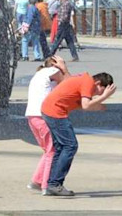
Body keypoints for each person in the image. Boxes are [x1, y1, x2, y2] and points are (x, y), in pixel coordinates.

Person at [39, 68, 117, 197]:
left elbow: (82, 104)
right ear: (97, 83)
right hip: (55, 112)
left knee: (61, 148)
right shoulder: (88, 82)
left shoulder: (84, 80)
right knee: (70, 146)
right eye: (100, 91)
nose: (97, 95)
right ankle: (55, 184)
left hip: (49, 109)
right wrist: (104, 97)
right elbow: (86, 105)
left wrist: (98, 105)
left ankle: (51, 184)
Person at [24, 57, 65, 192]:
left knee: (48, 150)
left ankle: (37, 180)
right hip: (43, 117)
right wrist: (63, 66)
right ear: (54, 65)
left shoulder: (39, 75)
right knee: (52, 151)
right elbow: (67, 82)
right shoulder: (51, 71)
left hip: (32, 116)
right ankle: (47, 185)